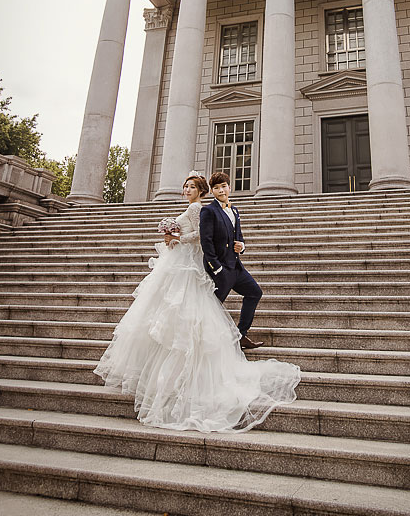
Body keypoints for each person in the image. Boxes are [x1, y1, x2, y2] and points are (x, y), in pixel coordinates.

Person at [93, 173, 300, 432]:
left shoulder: (199, 208)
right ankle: (228, 342)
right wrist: (175, 239)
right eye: (185, 186)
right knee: (195, 313)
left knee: (203, 311)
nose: (186, 189)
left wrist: (180, 238)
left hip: (210, 266)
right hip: (195, 266)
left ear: (203, 190)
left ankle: (234, 339)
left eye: (191, 186)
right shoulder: (201, 208)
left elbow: (202, 238)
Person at [200, 171, 263, 350]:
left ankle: (241, 335)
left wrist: (241, 246)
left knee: (254, 292)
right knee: (210, 307)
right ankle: (201, 340)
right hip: (221, 270)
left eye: (224, 186)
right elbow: (206, 241)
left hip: (236, 267)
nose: (221, 190)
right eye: (217, 188)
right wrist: (216, 268)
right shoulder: (208, 211)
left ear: (230, 187)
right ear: (212, 191)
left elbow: (239, 236)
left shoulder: (234, 209)